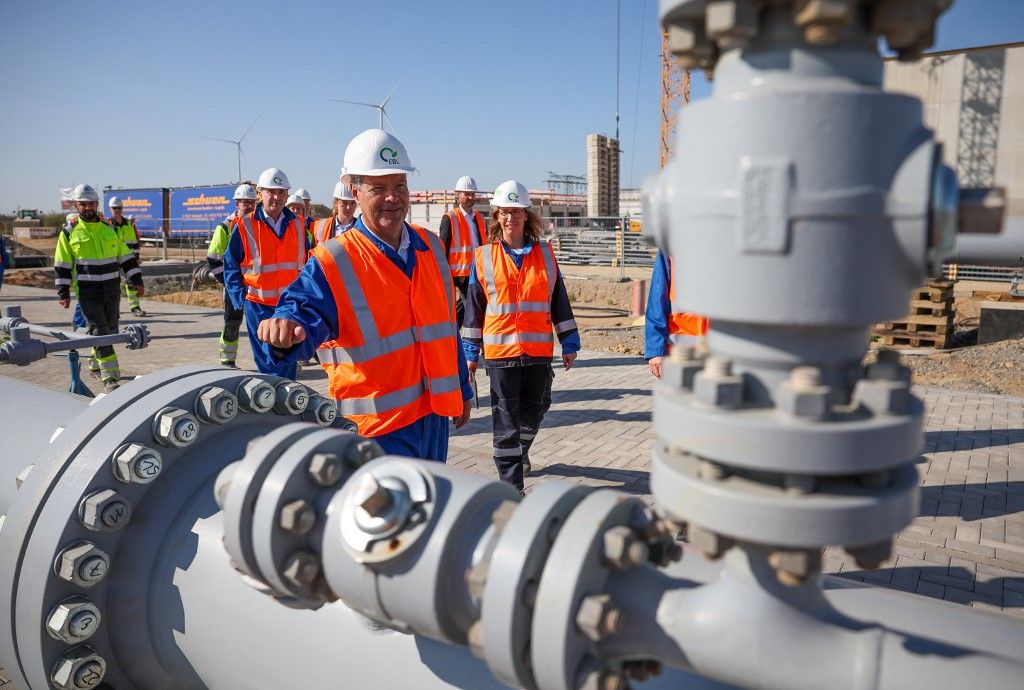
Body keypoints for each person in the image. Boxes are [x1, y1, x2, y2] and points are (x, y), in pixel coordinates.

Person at [256, 128, 473, 462]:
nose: (393, 197)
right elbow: (299, 310)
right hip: (377, 432)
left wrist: (462, 387)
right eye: (379, 188)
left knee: (431, 509)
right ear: (355, 191)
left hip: (434, 417)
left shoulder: (430, 246)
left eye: (399, 185)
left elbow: (445, 328)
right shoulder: (334, 261)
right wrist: (284, 331)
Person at [462, 180, 580, 492]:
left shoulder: (545, 254)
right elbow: (473, 311)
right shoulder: (483, 257)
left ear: (526, 215)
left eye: (516, 211)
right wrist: (470, 355)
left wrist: (569, 341)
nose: (510, 218)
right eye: (504, 212)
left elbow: (559, 300)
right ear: (497, 217)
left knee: (538, 408)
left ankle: (520, 451)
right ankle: (511, 488)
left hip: (538, 351)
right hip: (501, 356)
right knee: (505, 424)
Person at [223, 168, 312, 381]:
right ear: (260, 193)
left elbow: (308, 265)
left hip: (290, 305)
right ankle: (271, 402)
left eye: (281, 192)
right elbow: (230, 264)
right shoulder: (244, 225)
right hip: (258, 305)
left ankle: (287, 400)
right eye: (271, 192)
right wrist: (238, 299)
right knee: (266, 359)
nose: (276, 197)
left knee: (288, 355)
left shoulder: (298, 224)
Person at [54, 184, 144, 391]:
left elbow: (126, 257)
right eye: (83, 204)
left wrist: (136, 281)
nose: (88, 208)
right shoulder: (69, 233)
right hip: (88, 292)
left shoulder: (110, 229)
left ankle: (95, 364)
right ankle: (110, 378)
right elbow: (62, 264)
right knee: (101, 331)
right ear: (76, 206)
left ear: (96, 204)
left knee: (110, 329)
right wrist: (63, 292)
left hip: (112, 291)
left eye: (91, 204)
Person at [206, 183, 257, 366]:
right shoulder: (225, 227)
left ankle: (266, 360)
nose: (250, 206)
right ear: (237, 204)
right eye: (245, 202)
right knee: (233, 322)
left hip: (257, 287)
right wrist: (229, 282)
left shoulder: (259, 225)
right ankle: (227, 359)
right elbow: (213, 260)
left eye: (252, 202)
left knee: (259, 324)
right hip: (234, 287)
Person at [644, 250, 709, 378]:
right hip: (682, 356)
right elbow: (658, 301)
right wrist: (656, 351)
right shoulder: (672, 244)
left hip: (727, 357)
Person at [438, 175, 487, 327]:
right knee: (472, 306)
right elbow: (443, 247)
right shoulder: (450, 218)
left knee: (467, 305)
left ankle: (452, 331)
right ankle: (478, 344)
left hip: (478, 269)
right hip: (459, 273)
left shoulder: (479, 217)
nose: (470, 197)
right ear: (458, 195)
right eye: (466, 193)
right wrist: (443, 273)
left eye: (472, 193)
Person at [107, 196, 146, 316]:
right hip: (114, 259)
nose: (117, 210)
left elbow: (134, 242)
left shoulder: (129, 225)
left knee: (132, 283)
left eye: (119, 208)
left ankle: (135, 307)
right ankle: (114, 309)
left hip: (129, 259)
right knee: (113, 284)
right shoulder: (107, 225)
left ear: (122, 208)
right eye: (114, 208)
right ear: (110, 209)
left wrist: (136, 258)